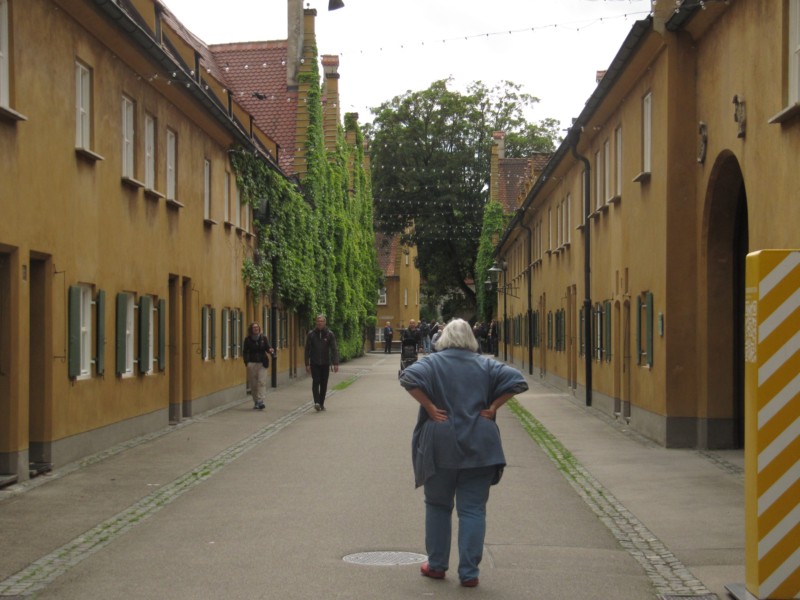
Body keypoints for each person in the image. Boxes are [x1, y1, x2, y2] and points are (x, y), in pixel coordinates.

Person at [398, 318, 528, 588]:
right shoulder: (486, 364)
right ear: (471, 338)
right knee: (473, 510)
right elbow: (517, 381)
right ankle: (469, 573)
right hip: (481, 444)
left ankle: (436, 565)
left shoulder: (433, 363)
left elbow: (408, 377)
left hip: (441, 443)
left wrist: (431, 408)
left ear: (444, 337)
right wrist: (493, 407)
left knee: (437, 505)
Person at [304, 315, 339, 412]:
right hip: (314, 363)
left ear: (325, 323)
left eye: (321, 321)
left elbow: (334, 349)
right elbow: (307, 349)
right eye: (318, 321)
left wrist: (335, 363)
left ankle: (321, 403)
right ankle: (317, 402)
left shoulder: (329, 334)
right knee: (316, 382)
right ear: (316, 322)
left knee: (324, 384)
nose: (319, 323)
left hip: (325, 363)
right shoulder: (311, 334)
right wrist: (307, 363)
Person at [242, 322, 276, 410]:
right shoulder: (248, 339)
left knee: (261, 382)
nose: (256, 329)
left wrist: (270, 350)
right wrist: (247, 362)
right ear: (251, 329)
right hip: (252, 363)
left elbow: (268, 347)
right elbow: (245, 351)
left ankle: (260, 401)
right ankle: (256, 401)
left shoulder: (263, 338)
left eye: (257, 327)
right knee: (253, 384)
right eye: (254, 328)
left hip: (262, 363)